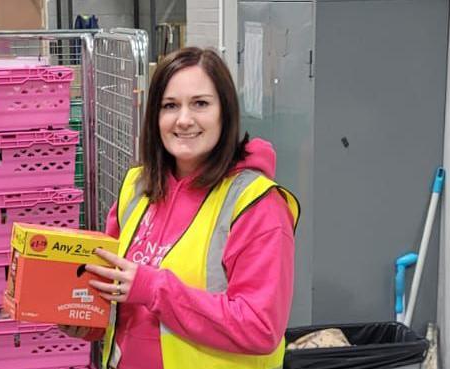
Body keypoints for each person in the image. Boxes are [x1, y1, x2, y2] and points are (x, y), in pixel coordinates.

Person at [60, 47, 300, 369]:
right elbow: (115, 291)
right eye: (170, 106)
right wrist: (85, 321)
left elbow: (261, 326)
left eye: (200, 104)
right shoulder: (138, 189)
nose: (184, 120)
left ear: (224, 113)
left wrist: (154, 288)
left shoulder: (255, 205)